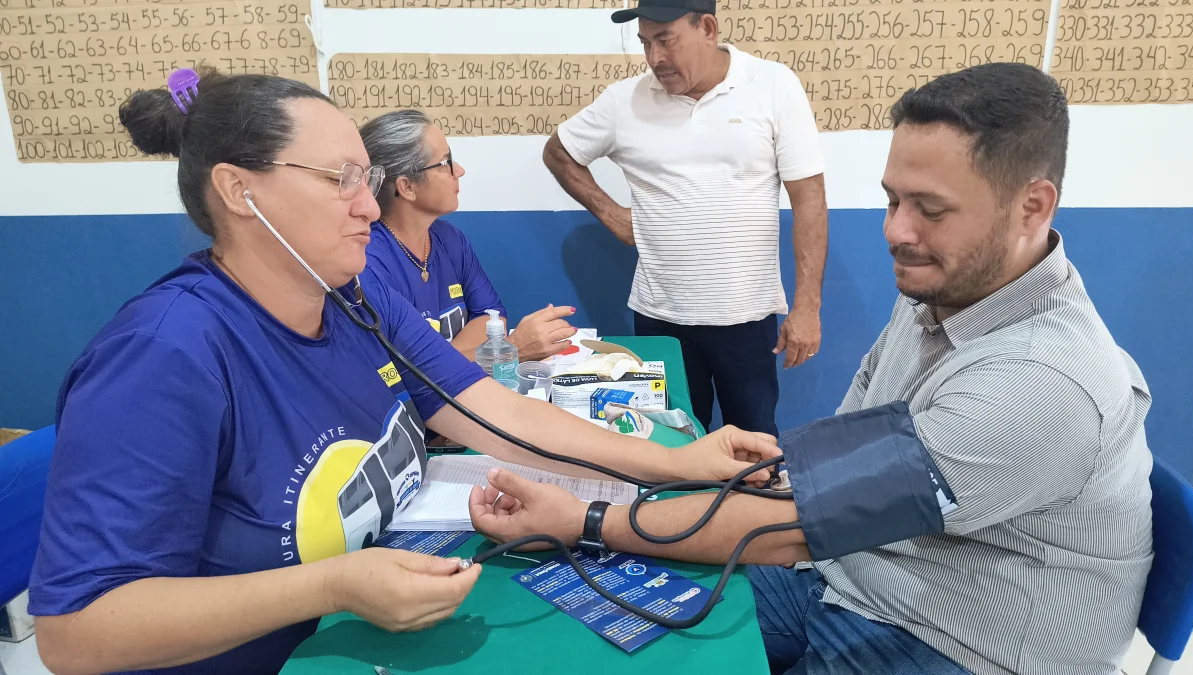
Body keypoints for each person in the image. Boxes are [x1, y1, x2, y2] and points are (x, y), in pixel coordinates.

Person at [26, 68, 781, 675]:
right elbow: (74, 632)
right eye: (341, 178)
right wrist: (331, 585)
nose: (368, 205)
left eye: (370, 177)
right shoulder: (165, 354)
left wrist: (677, 461)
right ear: (237, 190)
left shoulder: (353, 297)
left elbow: (498, 411)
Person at [471, 62, 1154, 675]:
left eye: (930, 210)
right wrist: (686, 485)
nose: (896, 231)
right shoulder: (942, 293)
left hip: (957, 638)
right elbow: (839, 467)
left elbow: (800, 523)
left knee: (628, 557)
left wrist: (587, 518)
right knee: (605, 612)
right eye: (893, 199)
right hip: (855, 573)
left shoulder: (1040, 382)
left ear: (1033, 207)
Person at [543, 0, 829, 437]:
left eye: (665, 40)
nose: (655, 57)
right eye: (645, 43)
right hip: (660, 318)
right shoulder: (625, 101)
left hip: (746, 319)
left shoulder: (773, 85)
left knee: (752, 446)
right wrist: (612, 215)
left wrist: (807, 307)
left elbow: (809, 198)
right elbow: (559, 152)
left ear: (708, 28)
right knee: (668, 443)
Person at [358, 110, 577, 363]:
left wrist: (446, 365)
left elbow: (491, 316)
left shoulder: (450, 239)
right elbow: (405, 372)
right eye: (446, 163)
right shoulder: (368, 262)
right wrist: (509, 352)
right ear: (407, 187)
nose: (459, 171)